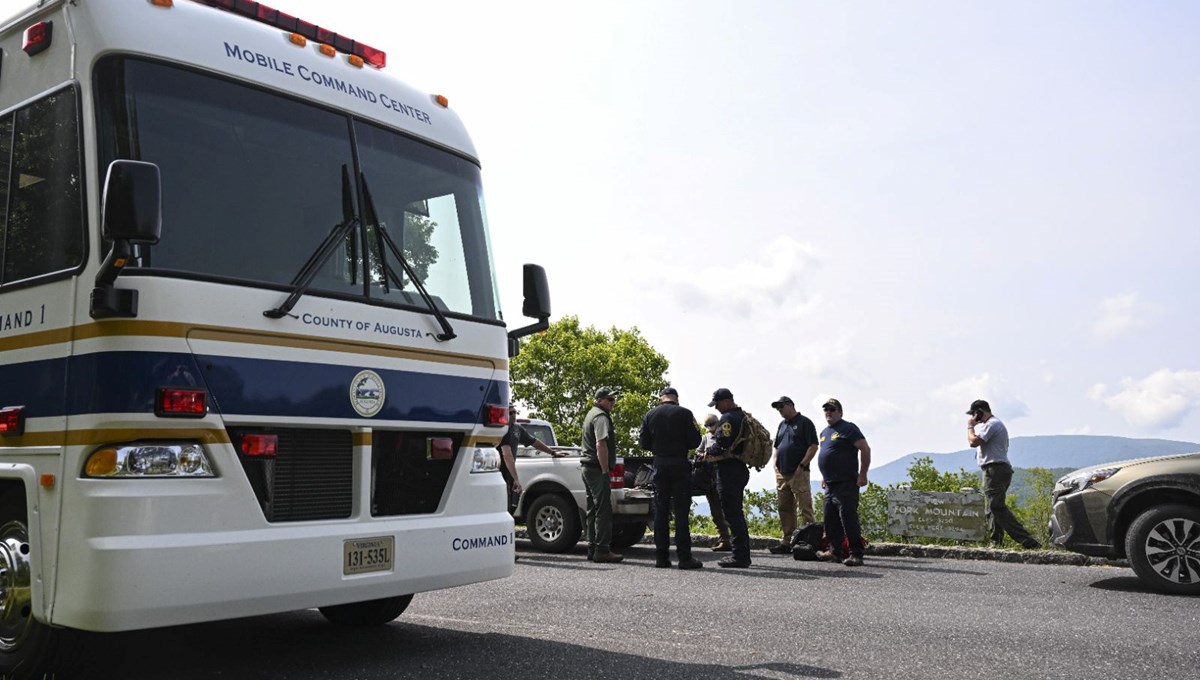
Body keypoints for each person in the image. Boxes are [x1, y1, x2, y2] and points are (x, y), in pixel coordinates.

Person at [639, 387, 704, 569]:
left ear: (661, 399)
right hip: (680, 464)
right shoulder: (685, 413)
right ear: (676, 398)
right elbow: (695, 441)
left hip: (660, 464)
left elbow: (644, 443)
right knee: (682, 512)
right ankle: (684, 558)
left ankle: (662, 558)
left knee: (661, 511)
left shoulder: (650, 415)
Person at [966, 399, 1041, 549]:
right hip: (994, 469)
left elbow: (973, 442)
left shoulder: (993, 424)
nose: (974, 417)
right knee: (991, 508)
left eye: (975, 414)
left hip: (995, 470)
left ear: (980, 411)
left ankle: (1028, 542)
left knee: (996, 507)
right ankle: (996, 543)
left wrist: (970, 426)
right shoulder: (990, 425)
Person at [701, 388, 752, 568]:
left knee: (732, 514)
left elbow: (722, 443)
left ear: (726, 401)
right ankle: (742, 553)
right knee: (736, 512)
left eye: (718, 404)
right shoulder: (742, 415)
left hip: (729, 470)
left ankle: (740, 556)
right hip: (738, 468)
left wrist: (708, 452)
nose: (717, 409)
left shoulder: (729, 418)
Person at [816, 398, 870, 567]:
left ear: (840, 412)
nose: (828, 412)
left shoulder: (848, 428)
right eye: (826, 410)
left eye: (832, 410)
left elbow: (865, 448)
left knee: (848, 518)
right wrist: (825, 476)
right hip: (830, 484)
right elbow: (828, 455)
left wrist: (862, 474)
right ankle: (835, 551)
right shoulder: (824, 432)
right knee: (830, 519)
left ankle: (856, 554)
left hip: (846, 483)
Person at [767, 396, 819, 555]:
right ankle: (787, 541)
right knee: (785, 507)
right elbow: (777, 447)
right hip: (782, 473)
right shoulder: (782, 425)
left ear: (790, 405)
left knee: (804, 507)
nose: (780, 410)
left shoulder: (805, 422)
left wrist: (802, 465)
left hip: (799, 472)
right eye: (778, 408)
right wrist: (775, 463)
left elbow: (813, 446)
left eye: (782, 407)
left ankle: (810, 541)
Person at [580, 387, 624, 563]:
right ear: (599, 400)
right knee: (603, 509)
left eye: (613, 399)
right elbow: (601, 444)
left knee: (593, 508)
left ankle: (592, 547)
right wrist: (605, 470)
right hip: (596, 469)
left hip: (587, 467)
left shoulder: (591, 413)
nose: (613, 402)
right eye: (610, 399)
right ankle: (602, 550)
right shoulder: (601, 417)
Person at [499, 407, 567, 507]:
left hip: (510, 474)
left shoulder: (517, 429)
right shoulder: (502, 430)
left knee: (511, 506)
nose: (513, 415)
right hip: (498, 473)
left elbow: (534, 442)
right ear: (504, 414)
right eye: (510, 413)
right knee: (503, 505)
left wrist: (553, 452)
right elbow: (507, 455)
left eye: (515, 412)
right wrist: (516, 479)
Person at [695, 414, 732, 551]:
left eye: (712, 425)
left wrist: (716, 456)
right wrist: (705, 455)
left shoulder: (724, 436)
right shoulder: (706, 438)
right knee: (716, 510)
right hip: (709, 478)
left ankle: (736, 539)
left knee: (729, 509)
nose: (710, 429)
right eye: (707, 426)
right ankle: (724, 539)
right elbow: (698, 452)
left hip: (724, 476)